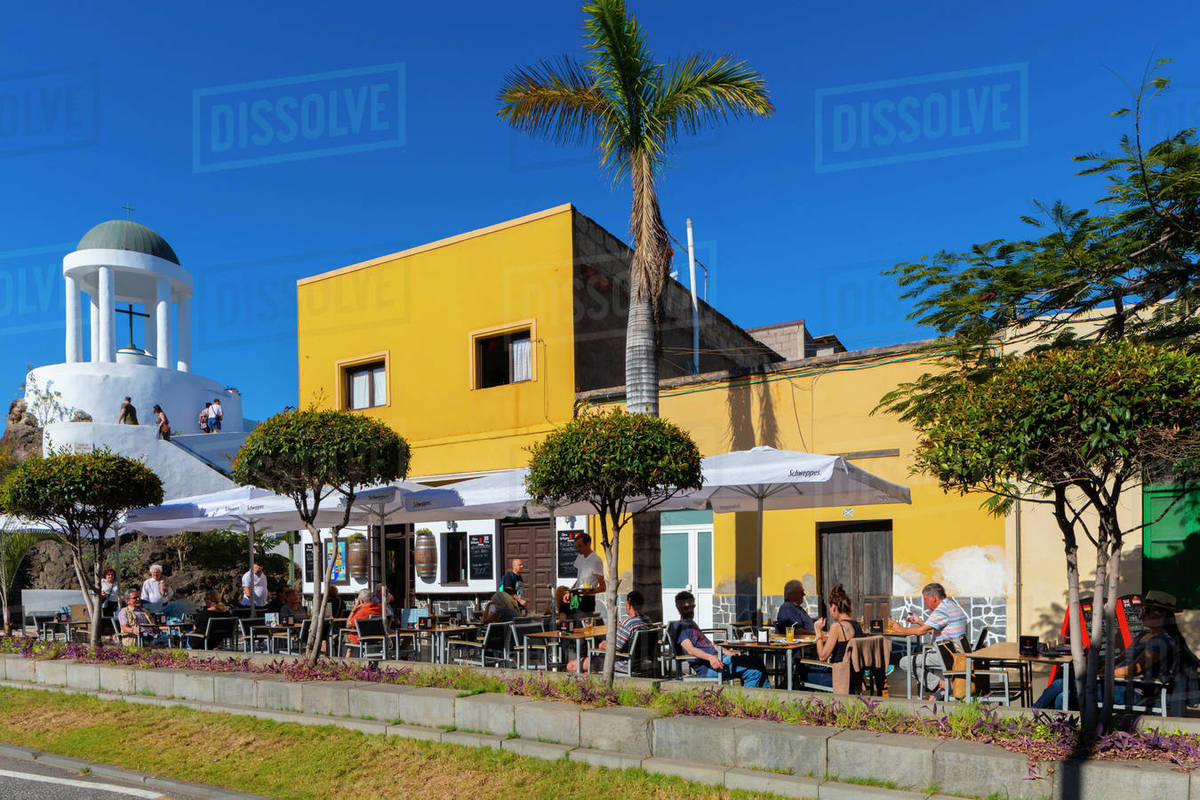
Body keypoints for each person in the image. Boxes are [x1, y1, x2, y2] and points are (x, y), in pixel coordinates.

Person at [1033, 590, 1195, 709]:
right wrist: (1104, 667)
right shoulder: (1144, 635)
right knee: (1063, 693)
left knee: (1062, 686)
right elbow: (1121, 658)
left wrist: (1100, 675)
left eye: (1147, 611)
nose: (1142, 615)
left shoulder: (1162, 642)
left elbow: (1133, 669)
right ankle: (1048, 726)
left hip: (1132, 691)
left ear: (1162, 615)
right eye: (1142, 610)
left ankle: (1030, 716)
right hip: (1115, 683)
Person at [671, 590, 770, 688]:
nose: (690, 610)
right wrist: (710, 657)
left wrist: (727, 652)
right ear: (678, 608)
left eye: (692, 607)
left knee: (757, 667)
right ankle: (749, 699)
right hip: (710, 667)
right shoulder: (680, 627)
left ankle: (763, 698)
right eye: (686, 608)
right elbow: (690, 650)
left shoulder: (692, 624)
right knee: (756, 666)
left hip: (720, 658)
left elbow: (711, 645)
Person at [890, 582, 969, 699]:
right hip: (957, 653)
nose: (925, 602)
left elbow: (920, 632)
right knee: (916, 661)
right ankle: (941, 688)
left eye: (925, 599)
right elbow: (938, 629)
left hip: (948, 655)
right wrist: (920, 622)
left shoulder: (942, 610)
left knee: (905, 662)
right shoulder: (951, 605)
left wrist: (900, 629)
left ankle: (946, 685)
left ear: (933, 598)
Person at [568, 589, 653, 674]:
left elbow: (614, 648)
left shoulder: (628, 623)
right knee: (589, 669)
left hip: (622, 663)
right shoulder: (647, 620)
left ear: (629, 605)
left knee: (571, 666)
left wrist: (603, 645)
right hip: (641, 662)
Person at [806, 584, 864, 688]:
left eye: (829, 608)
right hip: (856, 677)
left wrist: (818, 632)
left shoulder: (837, 627)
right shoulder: (857, 625)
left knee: (800, 673)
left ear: (833, 607)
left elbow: (822, 656)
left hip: (839, 677)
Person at [571, 533, 605, 619]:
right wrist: (570, 592)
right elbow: (579, 579)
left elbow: (603, 587)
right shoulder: (580, 556)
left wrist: (589, 591)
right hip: (575, 597)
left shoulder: (595, 560)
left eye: (580, 546)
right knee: (574, 627)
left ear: (588, 543)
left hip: (587, 600)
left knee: (585, 628)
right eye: (576, 546)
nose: (578, 549)